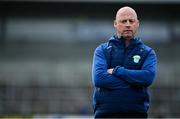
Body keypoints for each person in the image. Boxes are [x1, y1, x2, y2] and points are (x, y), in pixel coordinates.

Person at [92, 6, 157, 118]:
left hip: (136, 115)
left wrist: (117, 71)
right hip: (105, 115)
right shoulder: (102, 50)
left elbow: (147, 78)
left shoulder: (148, 52)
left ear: (137, 23)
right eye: (123, 21)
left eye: (131, 21)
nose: (128, 24)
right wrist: (135, 84)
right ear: (115, 24)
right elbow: (99, 79)